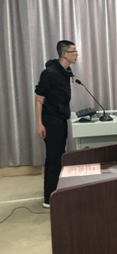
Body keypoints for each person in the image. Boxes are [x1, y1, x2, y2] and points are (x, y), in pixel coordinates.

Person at [35, 40, 78, 208]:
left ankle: (57, 191)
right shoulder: (50, 73)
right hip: (51, 121)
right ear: (64, 54)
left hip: (60, 119)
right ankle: (49, 198)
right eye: (73, 51)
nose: (77, 54)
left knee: (59, 156)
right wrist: (39, 123)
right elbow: (39, 98)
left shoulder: (65, 72)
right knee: (54, 158)